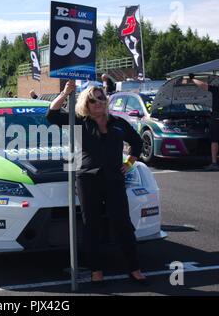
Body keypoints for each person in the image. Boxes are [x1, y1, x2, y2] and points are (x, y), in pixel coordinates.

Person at [46, 80, 148, 286]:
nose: (99, 103)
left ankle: (134, 268)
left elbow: (137, 142)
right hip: (87, 179)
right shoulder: (79, 121)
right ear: (86, 103)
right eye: (93, 100)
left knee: (122, 224)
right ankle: (96, 271)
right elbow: (52, 115)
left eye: (102, 98)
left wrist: (129, 162)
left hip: (114, 179)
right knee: (91, 226)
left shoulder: (118, 123)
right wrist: (66, 93)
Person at [189, 74, 219, 170]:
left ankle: (214, 163)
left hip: (217, 116)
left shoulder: (217, 89)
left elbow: (202, 85)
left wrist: (192, 79)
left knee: (214, 140)